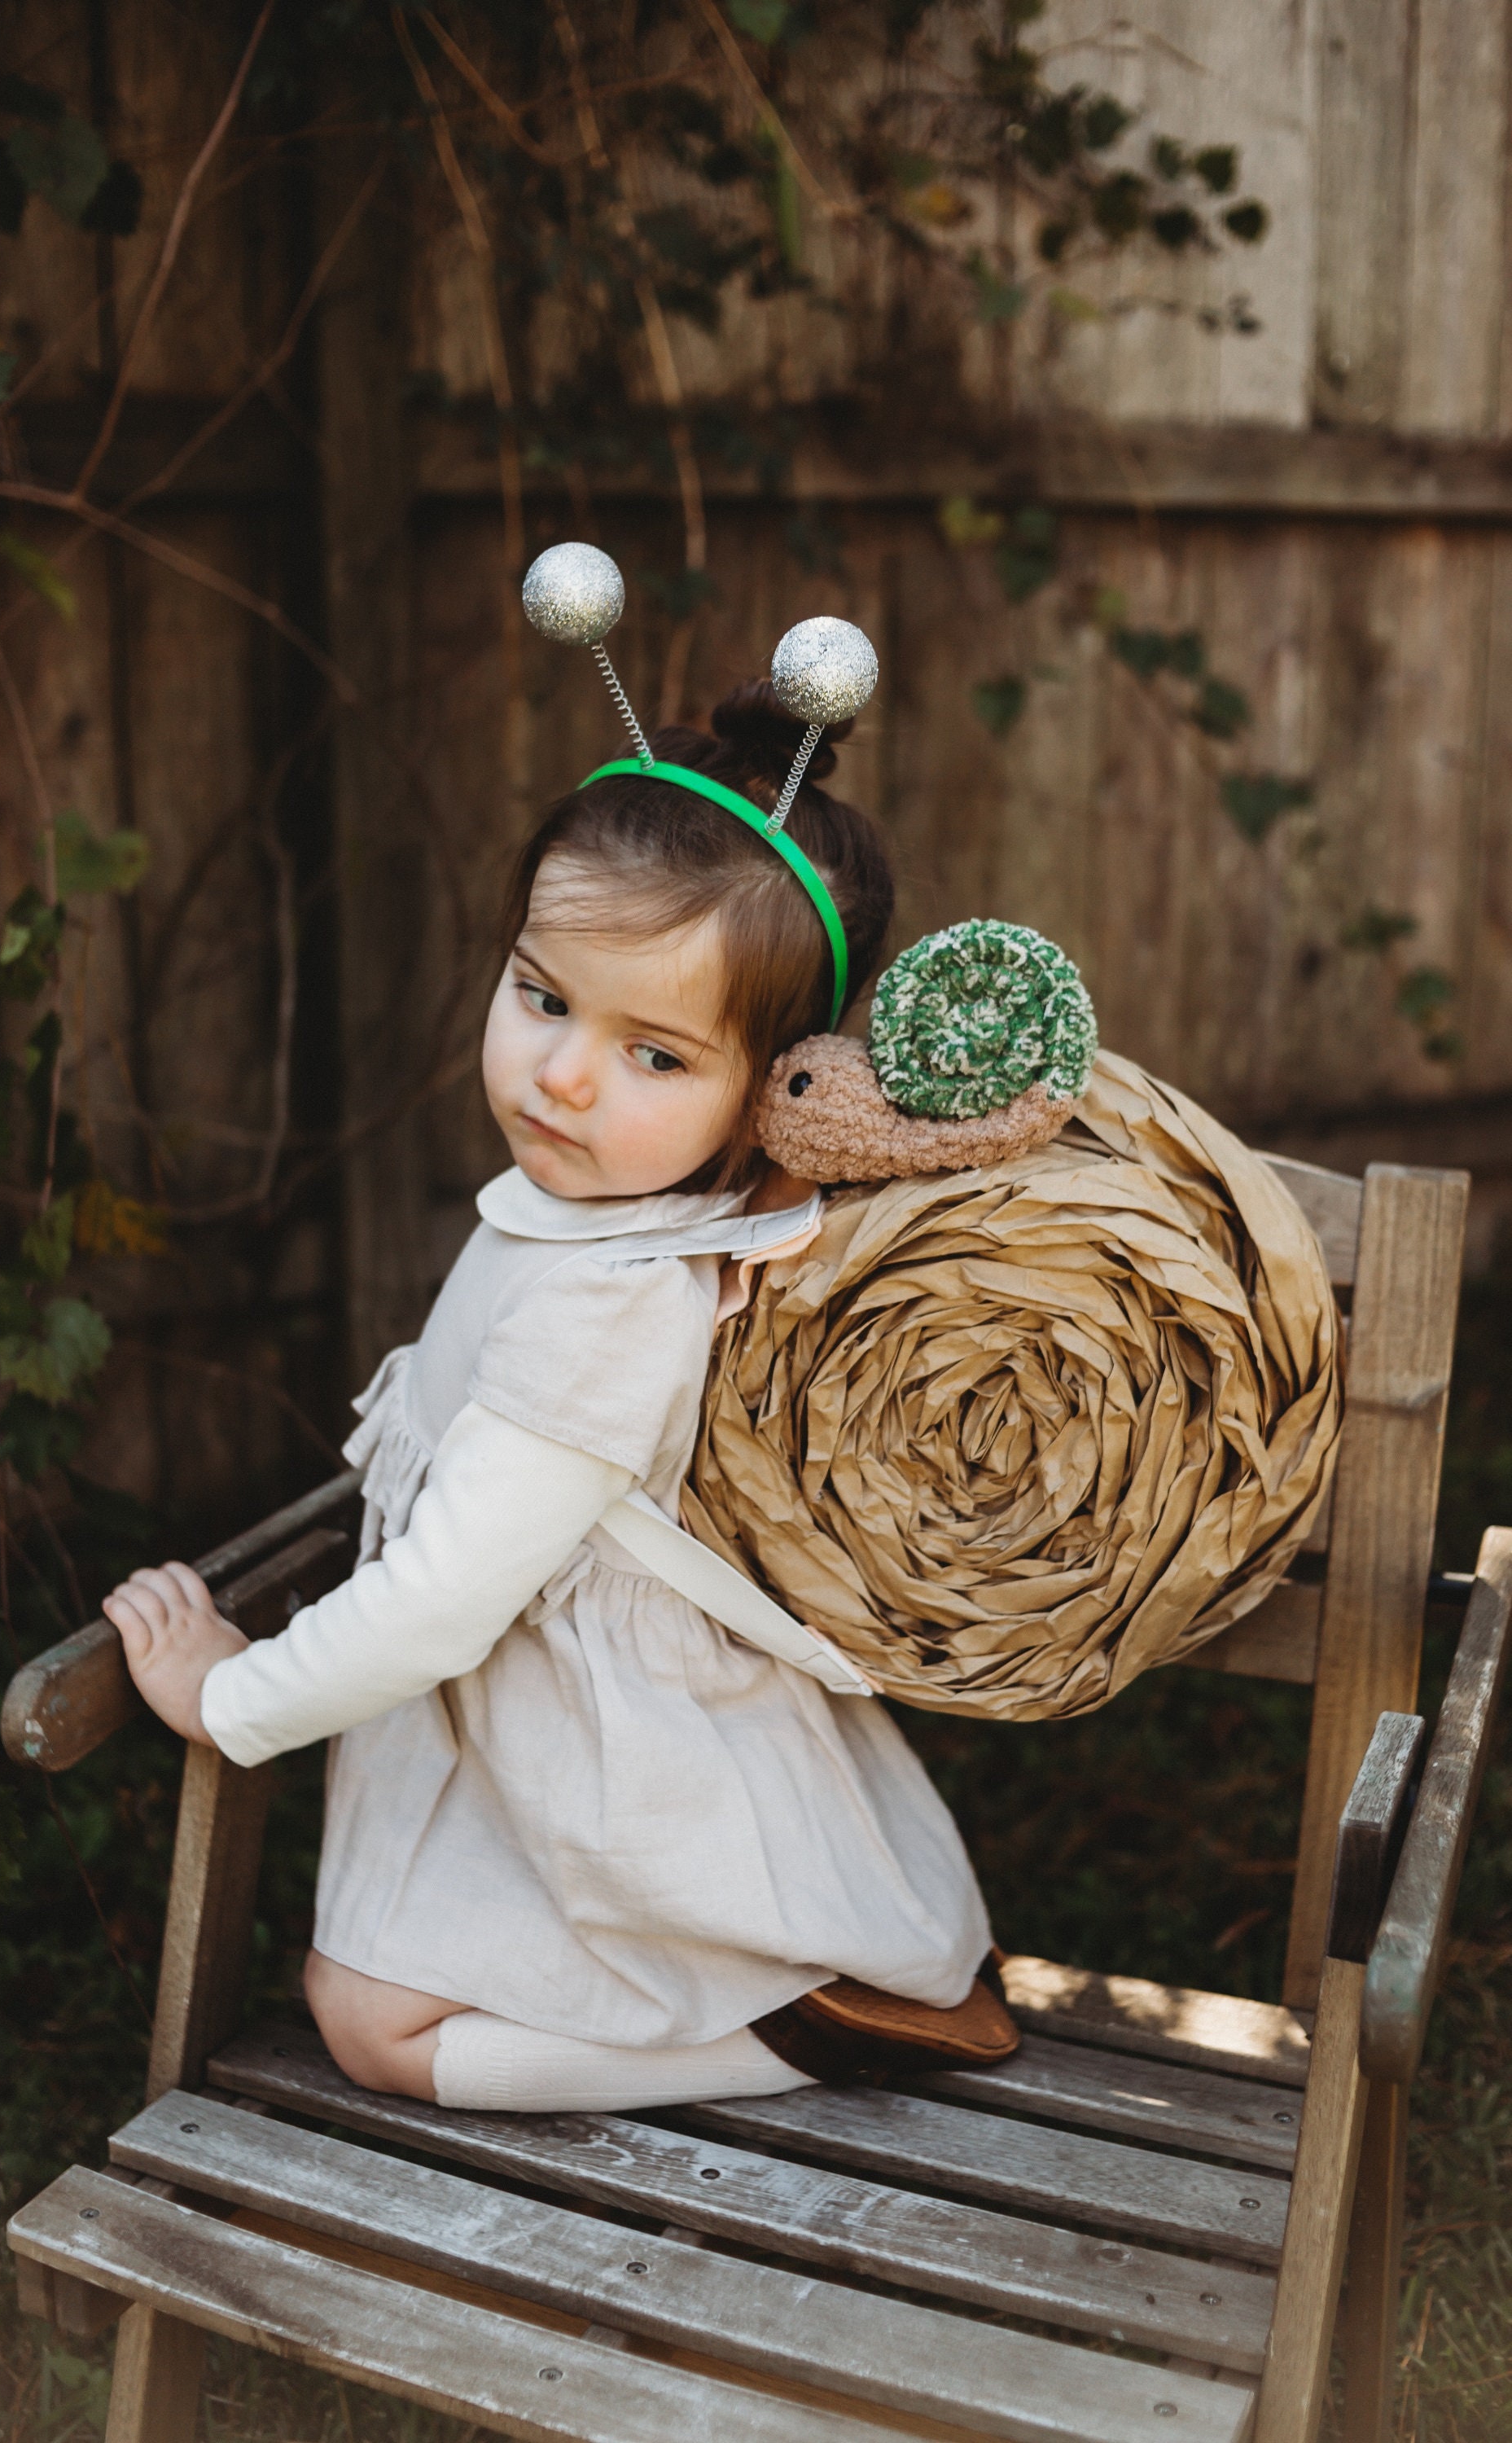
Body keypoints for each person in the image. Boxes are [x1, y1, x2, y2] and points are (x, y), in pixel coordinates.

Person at [103, 683, 1009, 2114]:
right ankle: (796, 2005)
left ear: (764, 1092)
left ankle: (801, 2030)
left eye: (657, 1054)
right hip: (517, 1732)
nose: (569, 1076)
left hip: (622, 1764)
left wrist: (231, 1694)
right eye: (544, 997)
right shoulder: (587, 1205)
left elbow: (449, 1594)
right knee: (372, 1993)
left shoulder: (617, 1297)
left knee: (370, 2022)